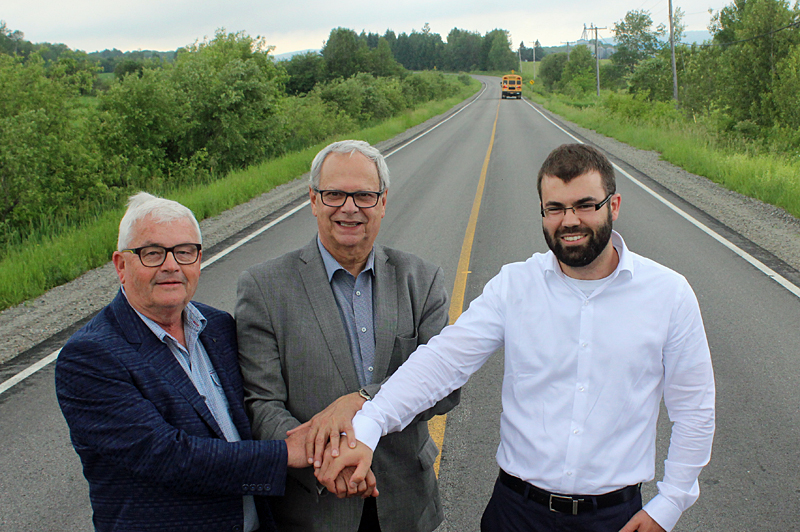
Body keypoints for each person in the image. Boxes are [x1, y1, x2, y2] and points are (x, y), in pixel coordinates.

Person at [314, 144, 716, 532]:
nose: (569, 220)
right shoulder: (515, 285)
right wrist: (370, 425)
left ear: (613, 205)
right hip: (517, 512)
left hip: (615, 516)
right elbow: (442, 362)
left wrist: (671, 501)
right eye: (555, 208)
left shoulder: (668, 293)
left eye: (584, 205)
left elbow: (694, 407)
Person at [235, 139, 460, 532]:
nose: (349, 207)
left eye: (364, 195)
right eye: (335, 194)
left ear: (383, 201)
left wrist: (364, 400)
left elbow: (445, 386)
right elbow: (262, 405)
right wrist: (331, 461)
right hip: (313, 506)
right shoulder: (263, 287)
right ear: (314, 200)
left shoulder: (421, 280)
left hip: (409, 505)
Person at [55, 192, 311, 532]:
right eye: (152, 253)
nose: (171, 265)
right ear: (121, 265)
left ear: (199, 259)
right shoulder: (89, 357)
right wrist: (286, 453)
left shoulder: (218, 327)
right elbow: (169, 456)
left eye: (184, 252)